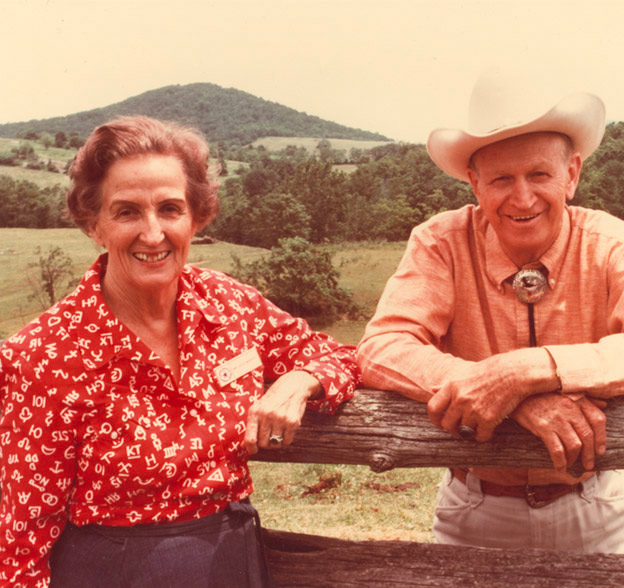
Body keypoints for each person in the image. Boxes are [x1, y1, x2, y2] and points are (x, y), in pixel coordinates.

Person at [357, 78, 624, 554]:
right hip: (476, 510)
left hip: (594, 509)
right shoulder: (440, 241)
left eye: (540, 175)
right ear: (475, 183)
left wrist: (534, 370)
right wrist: (505, 391)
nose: (522, 198)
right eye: (502, 179)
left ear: (571, 174)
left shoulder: (612, 243)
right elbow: (383, 348)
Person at [0, 116, 359, 587]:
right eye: (127, 211)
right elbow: (18, 542)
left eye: (170, 208)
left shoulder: (229, 305)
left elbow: (339, 355)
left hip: (234, 560)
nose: (153, 234)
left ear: (196, 216)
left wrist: (298, 381)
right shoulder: (44, 354)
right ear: (94, 224)